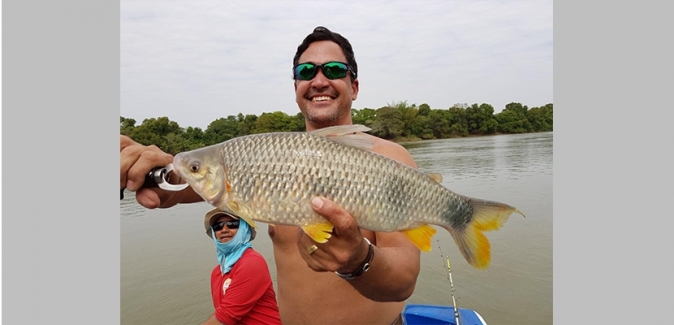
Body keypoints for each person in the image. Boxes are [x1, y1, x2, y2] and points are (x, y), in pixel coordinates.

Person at [120, 26, 420, 325]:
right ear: (296, 89)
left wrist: (358, 260)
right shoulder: (269, 156)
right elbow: (194, 184)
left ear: (353, 86)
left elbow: (404, 280)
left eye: (333, 69)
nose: (318, 80)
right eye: (305, 72)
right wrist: (155, 172)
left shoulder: (390, 159)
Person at [200, 208, 281, 325]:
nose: (224, 230)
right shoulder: (216, 273)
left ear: (244, 229)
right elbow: (220, 313)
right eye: (218, 227)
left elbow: (226, 316)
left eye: (232, 224)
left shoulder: (252, 262)